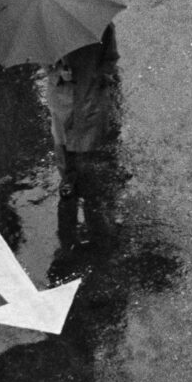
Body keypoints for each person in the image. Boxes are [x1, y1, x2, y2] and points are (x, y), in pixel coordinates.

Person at [45, 26, 120, 244]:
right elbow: (44, 62)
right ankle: (68, 178)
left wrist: (100, 75)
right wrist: (59, 72)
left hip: (90, 99)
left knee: (87, 151)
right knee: (63, 145)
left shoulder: (103, 27)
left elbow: (110, 59)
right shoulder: (48, 28)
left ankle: (90, 200)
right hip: (63, 100)